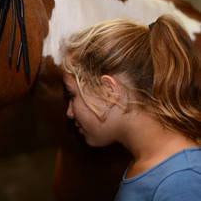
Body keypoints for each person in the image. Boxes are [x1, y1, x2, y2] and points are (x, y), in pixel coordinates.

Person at [61, 15, 201, 200]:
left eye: (72, 95)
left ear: (109, 91)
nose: (69, 113)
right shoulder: (147, 164)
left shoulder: (182, 180)